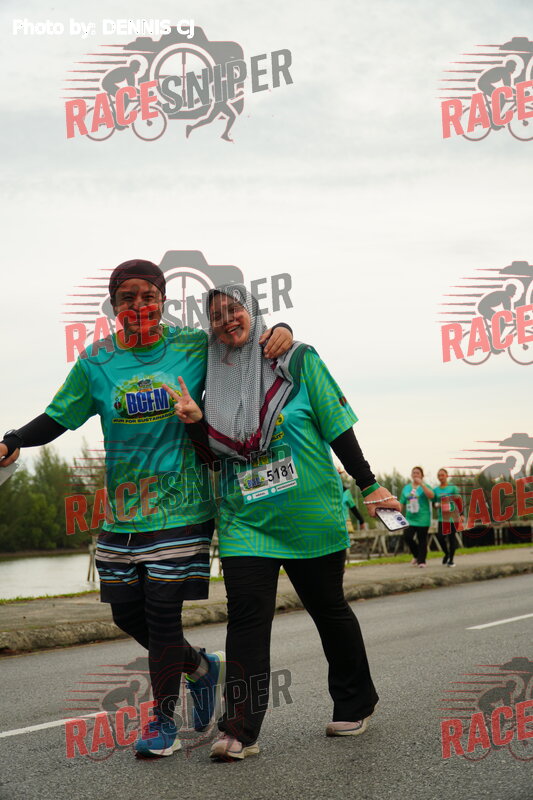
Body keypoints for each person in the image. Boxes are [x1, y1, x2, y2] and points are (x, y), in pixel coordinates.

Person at [0, 260, 293, 759]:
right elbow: (57, 417)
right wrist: (12, 440)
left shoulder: (192, 345)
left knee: (162, 617)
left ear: (163, 300)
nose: (139, 305)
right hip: (122, 513)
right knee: (126, 614)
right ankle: (201, 668)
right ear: (113, 306)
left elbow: (241, 340)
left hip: (182, 506)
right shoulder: (96, 362)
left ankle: (163, 723)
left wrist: (280, 329)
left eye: (148, 296)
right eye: (127, 298)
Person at [164, 284, 401, 761]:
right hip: (245, 521)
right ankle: (240, 729)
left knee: (328, 609)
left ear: (252, 312)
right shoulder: (213, 383)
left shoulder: (297, 360)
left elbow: (338, 426)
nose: (226, 320)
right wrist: (194, 423)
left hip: (308, 515)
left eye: (234, 309)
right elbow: (213, 460)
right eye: (216, 315)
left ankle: (355, 702)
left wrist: (369, 484)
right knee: (247, 622)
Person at [399, 467, 434, 568]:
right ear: (411, 475)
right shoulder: (406, 488)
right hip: (410, 518)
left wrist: (422, 484)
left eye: (418, 473)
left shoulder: (426, 486)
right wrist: (397, 514)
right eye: (414, 473)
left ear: (422, 475)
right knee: (407, 536)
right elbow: (402, 502)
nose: (415, 475)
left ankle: (422, 561)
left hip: (423, 517)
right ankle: (416, 555)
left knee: (422, 539)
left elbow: (431, 496)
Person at [432, 468, 464, 567]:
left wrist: (462, 514)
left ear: (447, 476)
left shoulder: (452, 488)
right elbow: (433, 503)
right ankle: (446, 553)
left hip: (453, 517)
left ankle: (451, 560)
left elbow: (458, 501)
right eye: (439, 475)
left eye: (442, 475)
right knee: (440, 537)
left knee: (451, 538)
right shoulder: (436, 490)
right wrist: (437, 505)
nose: (441, 477)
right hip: (442, 518)